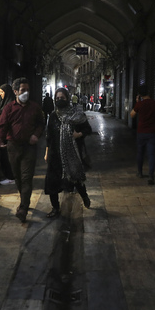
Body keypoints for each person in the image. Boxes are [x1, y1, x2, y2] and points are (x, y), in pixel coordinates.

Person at [0, 77, 46, 222]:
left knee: (26, 177)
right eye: (23, 90)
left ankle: (23, 207)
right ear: (15, 91)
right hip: (13, 147)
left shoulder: (35, 108)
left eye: (28, 90)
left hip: (29, 147)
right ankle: (24, 198)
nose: (26, 93)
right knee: (17, 176)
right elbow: (2, 125)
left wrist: (36, 135)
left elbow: (41, 124)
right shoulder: (9, 108)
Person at [44, 87, 92, 218]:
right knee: (52, 182)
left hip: (72, 154)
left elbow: (88, 129)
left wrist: (79, 134)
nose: (59, 100)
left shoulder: (76, 115)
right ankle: (55, 208)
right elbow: (49, 136)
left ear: (68, 99)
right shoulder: (54, 115)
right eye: (57, 98)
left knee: (75, 179)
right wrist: (47, 152)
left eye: (62, 98)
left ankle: (84, 196)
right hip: (55, 154)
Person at [131, 84, 155, 185]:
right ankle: (151, 175)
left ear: (140, 94)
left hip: (141, 132)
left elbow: (132, 115)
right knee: (151, 154)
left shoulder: (140, 104)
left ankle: (140, 173)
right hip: (152, 132)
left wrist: (137, 103)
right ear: (148, 92)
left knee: (140, 153)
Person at [0, 84, 16, 185]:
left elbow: (8, 119)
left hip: (8, 135)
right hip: (3, 134)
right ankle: (8, 175)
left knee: (7, 156)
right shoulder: (3, 102)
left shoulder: (10, 104)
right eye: (0, 92)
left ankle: (10, 176)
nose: (1, 94)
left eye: (2, 92)